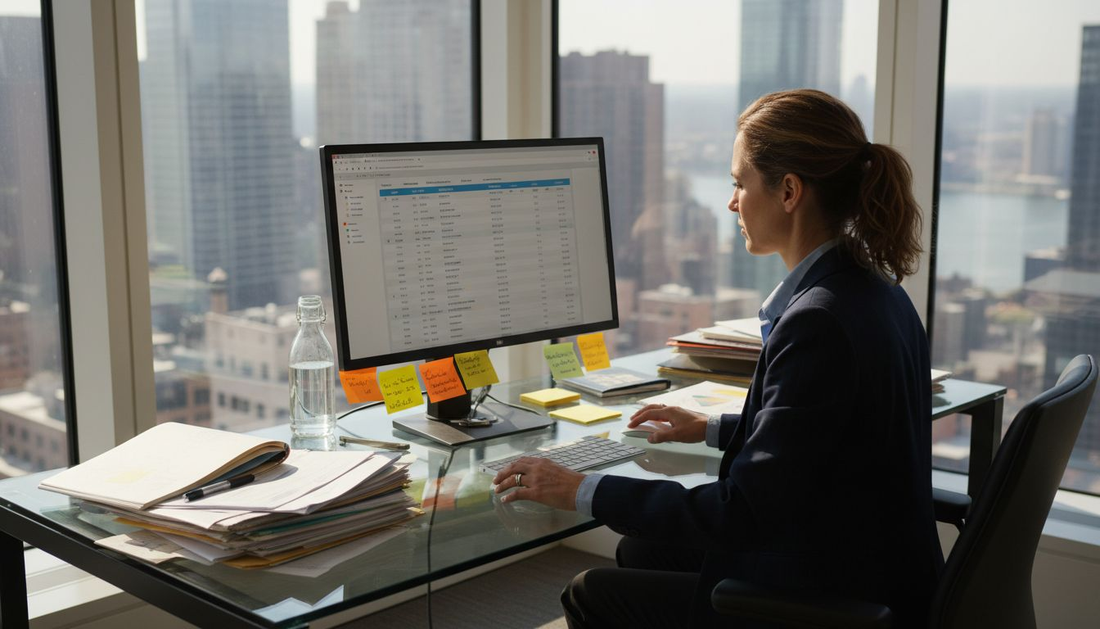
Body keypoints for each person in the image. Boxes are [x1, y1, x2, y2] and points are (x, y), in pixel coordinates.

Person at [492, 88, 942, 628]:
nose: (732, 203)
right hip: (872, 565)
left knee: (592, 592)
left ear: (790, 192)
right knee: (642, 552)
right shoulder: (873, 290)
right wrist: (714, 427)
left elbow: (743, 512)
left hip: (832, 593)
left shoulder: (817, 321)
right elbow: (823, 438)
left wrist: (579, 489)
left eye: (739, 183)